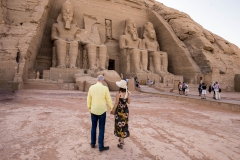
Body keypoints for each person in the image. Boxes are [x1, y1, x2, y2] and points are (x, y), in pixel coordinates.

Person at [87, 75, 114, 152]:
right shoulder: (105, 88)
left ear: (97, 80)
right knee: (101, 128)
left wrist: (89, 108)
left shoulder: (91, 87)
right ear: (103, 81)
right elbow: (108, 99)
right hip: (102, 110)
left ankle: (92, 143)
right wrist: (111, 108)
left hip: (93, 110)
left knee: (93, 127)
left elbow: (88, 99)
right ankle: (100, 146)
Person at [111, 80, 131, 149]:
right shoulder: (127, 93)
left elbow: (116, 103)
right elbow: (129, 102)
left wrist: (113, 110)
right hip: (125, 111)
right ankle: (122, 140)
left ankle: (121, 142)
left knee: (119, 124)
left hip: (119, 111)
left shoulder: (118, 93)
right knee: (124, 125)